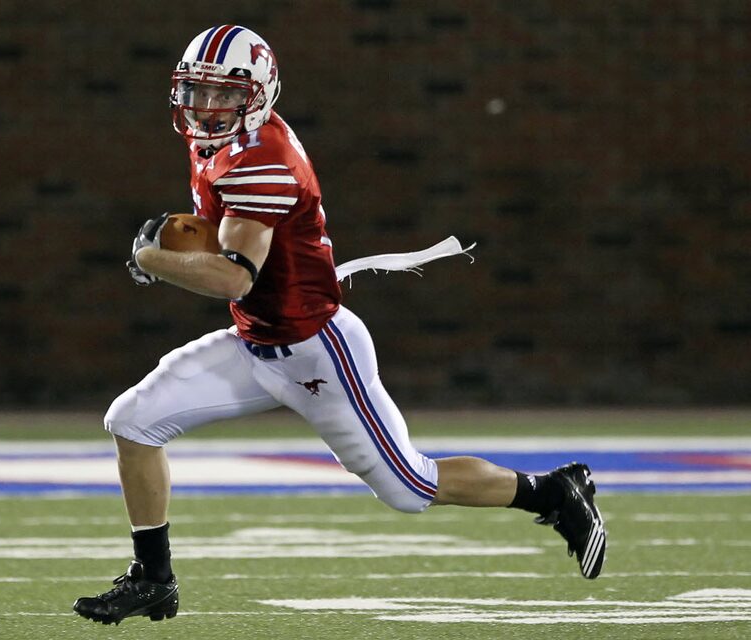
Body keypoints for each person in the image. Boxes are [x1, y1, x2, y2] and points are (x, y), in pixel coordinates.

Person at [73, 25, 607, 626]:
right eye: (197, 92)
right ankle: (153, 576)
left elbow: (234, 278)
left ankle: (555, 492)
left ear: (259, 92)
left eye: (223, 95)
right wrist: (177, 255)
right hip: (256, 342)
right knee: (133, 420)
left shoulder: (263, 159)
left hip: (316, 351)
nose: (206, 108)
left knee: (410, 488)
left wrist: (155, 261)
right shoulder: (223, 142)